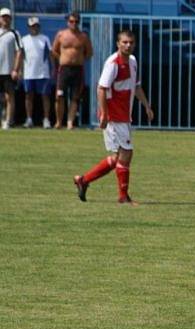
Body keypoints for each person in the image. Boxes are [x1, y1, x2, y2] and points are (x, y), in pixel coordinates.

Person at [72, 30, 153, 204]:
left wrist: (146, 105)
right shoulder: (113, 63)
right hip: (115, 116)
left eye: (131, 42)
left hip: (123, 115)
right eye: (124, 42)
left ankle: (83, 180)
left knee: (118, 158)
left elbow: (136, 86)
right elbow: (101, 88)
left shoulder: (132, 61)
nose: (128, 45)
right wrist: (104, 114)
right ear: (118, 44)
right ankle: (123, 197)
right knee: (127, 153)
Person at [52, 11, 92, 129]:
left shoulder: (83, 37)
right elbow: (54, 50)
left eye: (76, 22)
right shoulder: (61, 35)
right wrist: (62, 59)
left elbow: (89, 52)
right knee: (59, 96)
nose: (74, 24)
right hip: (64, 69)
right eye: (71, 21)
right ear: (68, 22)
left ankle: (70, 122)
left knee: (75, 97)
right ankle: (59, 121)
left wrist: (79, 59)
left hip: (78, 70)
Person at [21, 17, 53, 128]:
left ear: (39, 27)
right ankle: (29, 119)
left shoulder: (45, 39)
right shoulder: (24, 39)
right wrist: (20, 70)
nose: (34, 28)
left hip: (43, 72)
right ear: (29, 27)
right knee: (28, 96)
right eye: (32, 26)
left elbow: (50, 55)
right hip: (28, 73)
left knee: (45, 96)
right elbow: (21, 56)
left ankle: (46, 119)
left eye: (36, 26)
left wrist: (52, 69)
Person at [0, 7, 22, 130]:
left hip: (8, 71)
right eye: (3, 17)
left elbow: (19, 52)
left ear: (10, 19)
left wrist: (15, 69)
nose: (5, 19)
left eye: (7, 17)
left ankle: (8, 121)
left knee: (10, 96)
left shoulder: (15, 33)